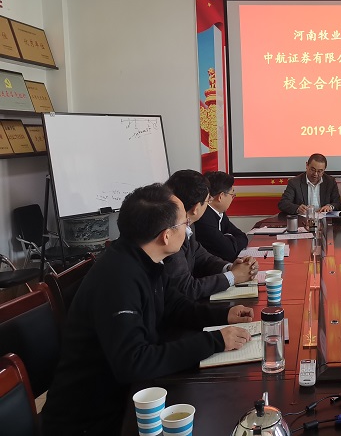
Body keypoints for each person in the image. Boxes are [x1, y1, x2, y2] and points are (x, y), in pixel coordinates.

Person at [42, 184, 255, 436]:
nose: (188, 228)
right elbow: (134, 361)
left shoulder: (145, 257)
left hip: (128, 395)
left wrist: (223, 315)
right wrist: (214, 341)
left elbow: (174, 306)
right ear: (166, 236)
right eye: (184, 223)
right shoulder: (119, 278)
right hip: (92, 418)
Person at [164, 169, 256, 300]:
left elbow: (202, 257)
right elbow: (187, 288)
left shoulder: (189, 226)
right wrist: (233, 276)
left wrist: (230, 268)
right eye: (208, 201)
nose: (209, 204)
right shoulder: (171, 236)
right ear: (196, 208)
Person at [194, 171, 248, 260]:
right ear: (221, 196)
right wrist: (230, 238)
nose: (232, 198)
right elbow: (229, 251)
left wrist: (228, 239)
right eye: (232, 195)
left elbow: (242, 236)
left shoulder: (219, 212)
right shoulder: (204, 218)